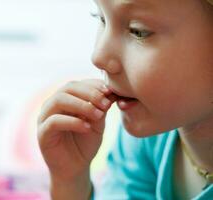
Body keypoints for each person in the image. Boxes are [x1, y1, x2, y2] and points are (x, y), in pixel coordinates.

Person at [37, 0, 213, 199]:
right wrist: (70, 183)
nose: (98, 57)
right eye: (101, 18)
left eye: (138, 31)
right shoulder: (147, 138)